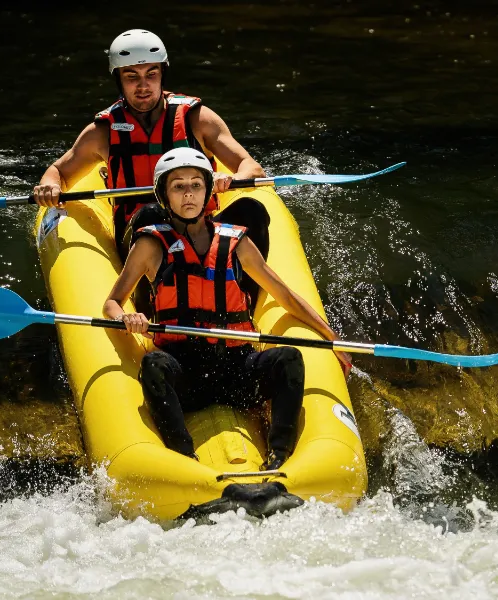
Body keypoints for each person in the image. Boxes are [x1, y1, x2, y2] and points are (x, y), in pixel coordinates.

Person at [102, 148, 352, 471]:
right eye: (178, 187)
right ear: (164, 194)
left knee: (289, 358)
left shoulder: (236, 241)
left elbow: (285, 296)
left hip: (236, 369)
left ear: (208, 191)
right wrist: (126, 317)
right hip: (185, 371)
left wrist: (332, 338)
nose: (188, 194)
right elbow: (112, 302)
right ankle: (184, 459)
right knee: (152, 365)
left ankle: (278, 457)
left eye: (196, 185)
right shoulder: (150, 245)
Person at [32, 29, 265, 260]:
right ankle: (152, 291)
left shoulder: (197, 119)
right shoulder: (102, 133)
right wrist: (49, 186)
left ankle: (242, 290)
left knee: (251, 210)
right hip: (139, 235)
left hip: (202, 229)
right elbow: (59, 172)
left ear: (163, 74)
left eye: (151, 74)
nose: (143, 86)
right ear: (119, 80)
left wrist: (232, 179)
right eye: (132, 76)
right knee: (153, 214)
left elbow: (252, 167)